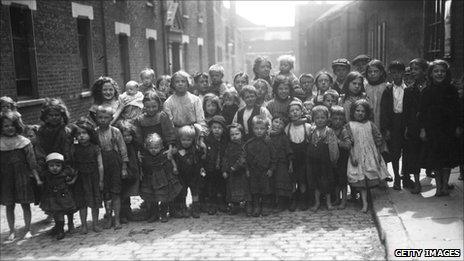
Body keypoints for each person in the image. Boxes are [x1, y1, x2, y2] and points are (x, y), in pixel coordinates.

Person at [419, 60, 462, 197]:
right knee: (436, 159)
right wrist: (423, 129)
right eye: (436, 71)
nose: (439, 74)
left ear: (446, 73)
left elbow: (458, 110)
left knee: (447, 159)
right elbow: (422, 112)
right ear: (431, 74)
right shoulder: (426, 91)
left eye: (442, 71)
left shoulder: (452, 90)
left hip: (448, 129)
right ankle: (438, 187)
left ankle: (445, 186)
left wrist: (458, 126)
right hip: (433, 129)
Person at [36, 98, 76, 234]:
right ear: (45, 116)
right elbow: (40, 148)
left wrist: (67, 168)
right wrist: (44, 166)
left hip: (63, 166)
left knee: (68, 198)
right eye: (50, 115)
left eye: (57, 115)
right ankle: (58, 224)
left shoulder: (65, 131)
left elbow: (68, 151)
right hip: (50, 167)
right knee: (53, 198)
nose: (54, 118)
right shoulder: (42, 131)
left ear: (62, 116)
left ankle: (70, 223)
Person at [1, 111, 42, 241]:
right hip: (6, 178)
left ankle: (27, 229)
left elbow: (32, 162)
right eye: (6, 126)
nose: (9, 128)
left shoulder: (24, 142)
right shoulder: (0, 143)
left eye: (12, 125)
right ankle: (12, 230)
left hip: (22, 177)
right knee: (9, 204)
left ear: (17, 125)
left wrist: (37, 178)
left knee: (25, 204)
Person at [346, 99, 389, 213]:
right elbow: (348, 142)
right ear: (353, 112)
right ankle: (364, 203)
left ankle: (367, 199)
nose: (360, 113)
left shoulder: (370, 125)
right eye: (357, 110)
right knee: (360, 181)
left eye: (363, 111)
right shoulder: (349, 125)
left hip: (370, 155)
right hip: (357, 155)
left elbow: (378, 139)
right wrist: (352, 155)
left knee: (369, 177)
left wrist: (378, 154)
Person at [95, 106, 129, 230]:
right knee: (106, 193)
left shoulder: (115, 131)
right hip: (102, 164)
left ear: (111, 118)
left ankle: (117, 219)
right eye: (100, 117)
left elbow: (123, 149)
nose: (103, 120)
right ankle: (108, 218)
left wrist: (124, 167)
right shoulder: (95, 132)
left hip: (115, 163)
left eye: (106, 118)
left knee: (116, 192)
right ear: (96, 118)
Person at [70, 119, 103, 234]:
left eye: (84, 133)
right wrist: (73, 177)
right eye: (78, 134)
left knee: (94, 202)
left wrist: (101, 180)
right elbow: (73, 164)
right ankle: (84, 225)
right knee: (82, 203)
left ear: (90, 134)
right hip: (81, 178)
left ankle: (95, 223)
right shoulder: (74, 149)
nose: (81, 136)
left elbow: (100, 165)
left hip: (93, 177)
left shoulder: (95, 148)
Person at [141, 133, 182, 222]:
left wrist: (174, 168)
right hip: (150, 179)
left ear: (161, 147)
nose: (154, 150)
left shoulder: (164, 154)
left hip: (163, 179)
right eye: (151, 148)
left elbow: (171, 161)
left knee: (164, 196)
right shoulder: (146, 157)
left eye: (156, 148)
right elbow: (143, 166)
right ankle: (154, 214)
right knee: (152, 198)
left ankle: (163, 213)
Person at [402, 58, 428, 193]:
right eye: (411, 69)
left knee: (432, 153)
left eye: (416, 69)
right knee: (414, 154)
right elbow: (406, 111)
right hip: (414, 126)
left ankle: (441, 184)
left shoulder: (430, 87)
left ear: (424, 71)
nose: (413, 72)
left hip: (429, 125)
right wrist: (407, 127)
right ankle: (417, 183)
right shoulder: (409, 90)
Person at [380, 61, 407, 190]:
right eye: (394, 73)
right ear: (390, 74)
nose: (397, 75)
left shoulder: (408, 88)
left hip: (405, 122)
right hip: (393, 123)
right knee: (395, 152)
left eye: (399, 72)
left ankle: (406, 176)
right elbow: (384, 110)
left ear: (403, 73)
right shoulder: (388, 89)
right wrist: (386, 129)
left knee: (406, 150)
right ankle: (397, 177)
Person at [307, 106, 339, 212]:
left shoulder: (329, 132)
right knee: (316, 183)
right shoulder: (312, 131)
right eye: (317, 118)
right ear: (314, 119)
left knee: (327, 183)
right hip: (314, 162)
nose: (320, 120)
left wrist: (333, 160)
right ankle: (317, 203)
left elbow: (333, 148)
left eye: (322, 117)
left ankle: (329, 203)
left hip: (326, 162)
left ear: (327, 118)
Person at [164, 70, 206, 149]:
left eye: (183, 81)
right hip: (177, 136)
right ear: (173, 84)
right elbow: (169, 125)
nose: (180, 84)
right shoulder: (168, 102)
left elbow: (201, 121)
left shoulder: (195, 100)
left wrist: (201, 139)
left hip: (193, 134)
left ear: (188, 83)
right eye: (177, 82)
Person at [244, 115, 276, 217]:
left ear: (266, 129)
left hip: (265, 171)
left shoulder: (269, 142)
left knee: (265, 189)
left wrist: (271, 169)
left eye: (262, 129)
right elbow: (246, 158)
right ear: (252, 129)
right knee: (254, 189)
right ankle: (256, 206)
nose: (259, 131)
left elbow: (274, 157)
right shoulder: (249, 143)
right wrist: (247, 169)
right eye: (256, 129)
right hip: (253, 171)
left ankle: (265, 206)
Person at [40, 153, 76, 240]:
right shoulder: (47, 174)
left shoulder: (65, 173)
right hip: (53, 197)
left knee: (69, 210)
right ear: (47, 166)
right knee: (57, 212)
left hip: (64, 195)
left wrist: (72, 181)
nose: (55, 168)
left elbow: (75, 173)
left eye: (58, 165)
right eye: (51, 166)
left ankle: (70, 224)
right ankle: (60, 229)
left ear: (62, 166)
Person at [284, 100, 311, 210]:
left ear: (301, 111)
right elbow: (287, 145)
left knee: (303, 179)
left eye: (297, 110)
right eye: (292, 111)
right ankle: (294, 199)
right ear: (289, 114)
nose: (294, 112)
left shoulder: (307, 126)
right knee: (293, 180)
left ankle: (304, 199)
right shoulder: (288, 128)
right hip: (293, 158)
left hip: (304, 157)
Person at [173, 125, 204, 218]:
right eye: (183, 140)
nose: (186, 142)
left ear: (193, 140)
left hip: (194, 175)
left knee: (195, 192)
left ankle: (195, 208)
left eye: (188, 140)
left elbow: (201, 157)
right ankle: (183, 207)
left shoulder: (196, 149)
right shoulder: (178, 150)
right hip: (182, 175)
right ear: (180, 139)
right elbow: (173, 159)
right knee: (183, 192)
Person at [222, 123, 250, 215]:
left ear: (241, 134)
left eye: (237, 134)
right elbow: (225, 158)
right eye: (232, 135)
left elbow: (243, 157)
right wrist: (225, 170)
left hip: (241, 172)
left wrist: (236, 166)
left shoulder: (244, 145)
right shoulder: (229, 146)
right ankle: (234, 206)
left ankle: (246, 205)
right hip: (231, 173)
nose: (234, 136)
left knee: (244, 188)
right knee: (232, 189)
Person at [269, 114, 294, 212]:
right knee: (272, 182)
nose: (277, 125)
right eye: (276, 122)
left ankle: (282, 203)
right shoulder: (268, 136)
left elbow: (289, 150)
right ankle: (273, 202)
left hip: (282, 163)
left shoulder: (284, 137)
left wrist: (291, 163)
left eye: (281, 123)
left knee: (281, 182)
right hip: (271, 163)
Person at [204, 115, 228, 215]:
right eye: (214, 128)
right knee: (212, 186)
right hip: (211, 167)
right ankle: (212, 204)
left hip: (222, 167)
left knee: (222, 185)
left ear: (223, 129)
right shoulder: (207, 140)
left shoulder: (225, 140)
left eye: (219, 128)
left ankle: (222, 203)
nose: (216, 130)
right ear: (211, 128)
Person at [117, 120, 140, 223]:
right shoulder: (120, 147)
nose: (127, 138)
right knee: (123, 193)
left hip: (133, 171)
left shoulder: (134, 145)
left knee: (129, 191)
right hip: (123, 171)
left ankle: (128, 212)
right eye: (124, 136)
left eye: (129, 135)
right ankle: (123, 214)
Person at [330, 106, 351, 209]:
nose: (337, 121)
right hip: (333, 159)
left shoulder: (343, 131)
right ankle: (337, 198)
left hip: (342, 159)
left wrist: (338, 142)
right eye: (335, 119)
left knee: (343, 181)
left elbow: (348, 145)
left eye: (340, 119)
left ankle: (344, 201)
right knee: (335, 180)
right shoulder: (329, 129)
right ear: (330, 118)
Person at [364, 59, 388, 129]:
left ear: (381, 72)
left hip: (382, 120)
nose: (372, 74)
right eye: (370, 72)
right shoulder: (365, 87)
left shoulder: (386, 88)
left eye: (376, 71)